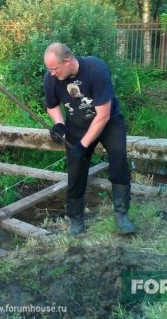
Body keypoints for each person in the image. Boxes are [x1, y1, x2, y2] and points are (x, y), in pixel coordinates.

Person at [43, 43, 136, 236]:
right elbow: (52, 105)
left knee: (118, 159)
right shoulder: (51, 78)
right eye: (49, 69)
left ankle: (121, 215)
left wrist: (83, 145)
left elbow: (103, 115)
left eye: (54, 68)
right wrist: (60, 124)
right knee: (75, 171)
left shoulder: (96, 69)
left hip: (108, 122)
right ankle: (76, 221)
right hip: (76, 126)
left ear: (67, 61)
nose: (51, 73)